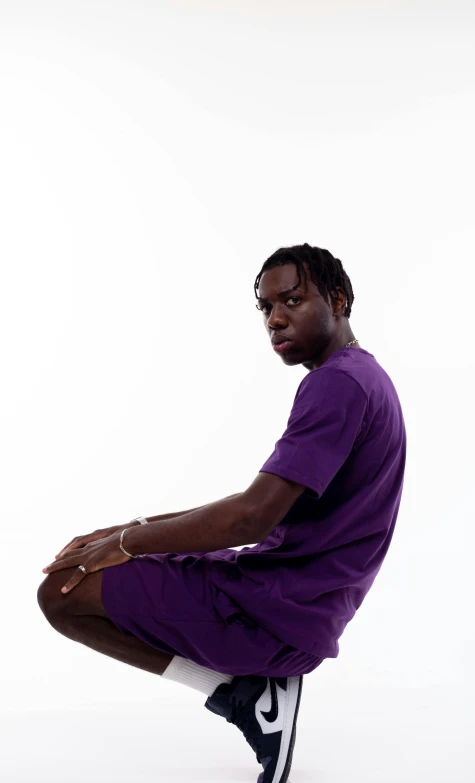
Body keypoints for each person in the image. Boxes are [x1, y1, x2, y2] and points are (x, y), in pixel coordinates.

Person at [37, 242, 407, 783]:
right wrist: (130, 529)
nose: (275, 318)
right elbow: (257, 505)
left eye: (293, 300)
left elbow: (249, 517)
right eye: (265, 307)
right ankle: (252, 691)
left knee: (62, 592)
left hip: (273, 617)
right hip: (283, 597)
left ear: (339, 299)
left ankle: (242, 695)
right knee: (94, 571)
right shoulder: (362, 376)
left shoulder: (337, 384)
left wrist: (122, 546)